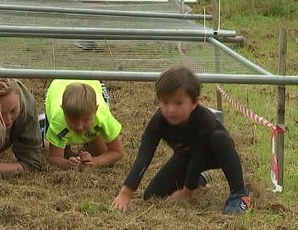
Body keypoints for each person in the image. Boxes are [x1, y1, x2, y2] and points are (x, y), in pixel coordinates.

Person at [111, 66, 251, 215]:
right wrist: (126, 192)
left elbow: (199, 155)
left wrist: (187, 191)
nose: (171, 110)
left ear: (194, 102)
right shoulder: (158, 121)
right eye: (165, 102)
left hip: (214, 153)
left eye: (178, 103)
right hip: (186, 155)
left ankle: (240, 194)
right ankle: (199, 179)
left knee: (220, 138)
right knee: (152, 195)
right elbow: (145, 154)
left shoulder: (204, 120)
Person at [43, 79, 124, 170]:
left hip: (92, 81)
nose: (79, 127)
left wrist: (95, 160)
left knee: (101, 152)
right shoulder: (58, 120)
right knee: (61, 151)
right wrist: (66, 163)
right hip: (57, 86)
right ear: (64, 112)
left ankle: (92, 137)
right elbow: (54, 158)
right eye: (73, 120)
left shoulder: (104, 118)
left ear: (95, 110)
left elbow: (117, 152)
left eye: (85, 120)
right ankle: (43, 128)